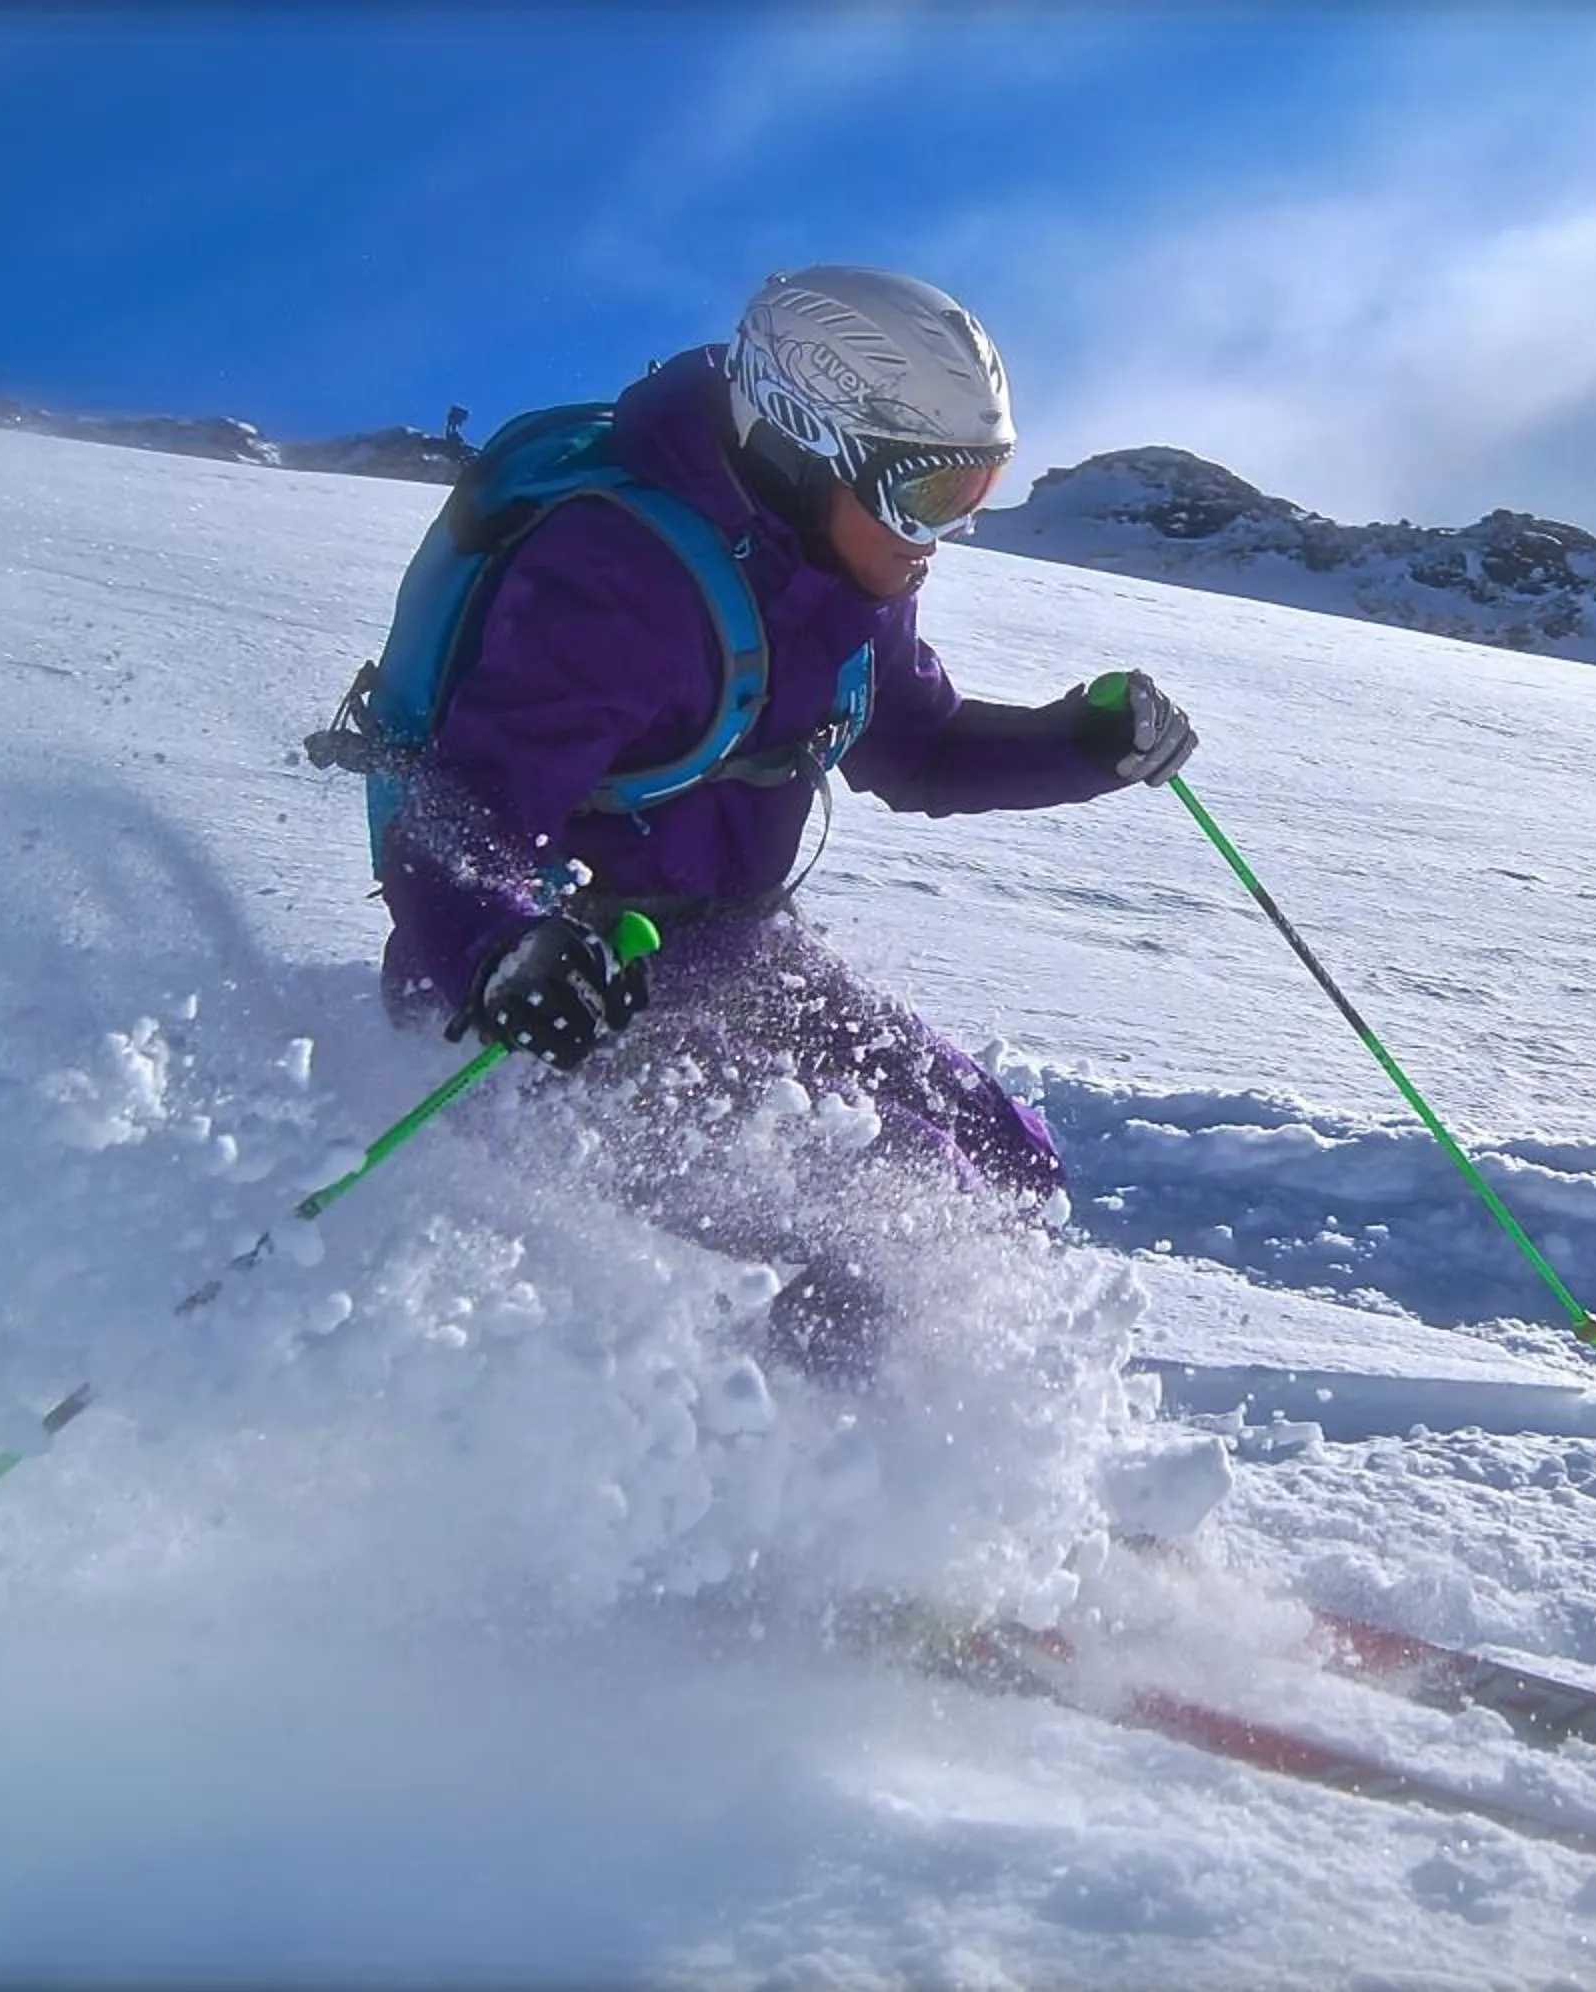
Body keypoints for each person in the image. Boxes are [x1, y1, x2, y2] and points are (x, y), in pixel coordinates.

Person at [376, 266, 1196, 1381]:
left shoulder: (845, 568)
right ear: (810, 447)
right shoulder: (618, 580)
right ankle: (804, 1464)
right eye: (930, 493)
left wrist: (1082, 745)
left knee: (1007, 1164)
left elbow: (920, 747)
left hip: (736, 950)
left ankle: (907, 1432)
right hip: (563, 1001)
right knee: (894, 1212)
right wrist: (502, 949)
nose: (946, 533)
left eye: (976, 488)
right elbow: (457, 811)